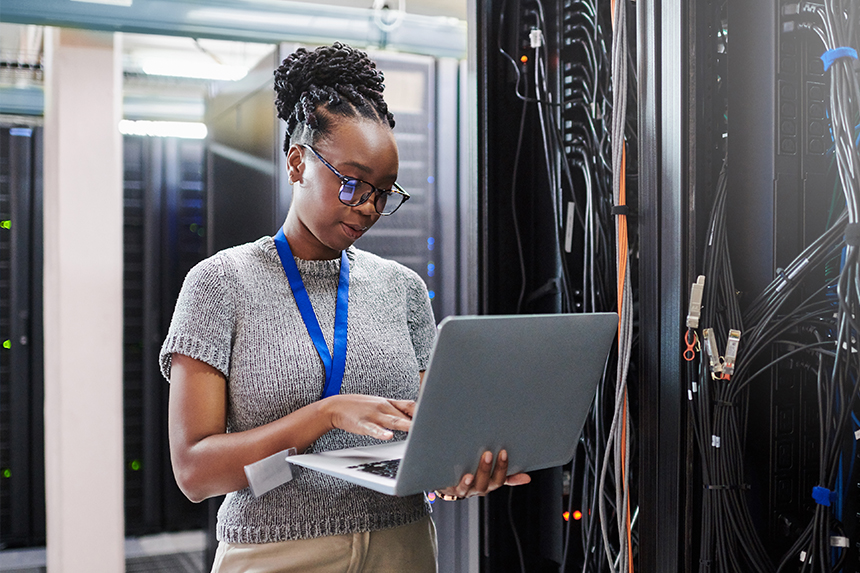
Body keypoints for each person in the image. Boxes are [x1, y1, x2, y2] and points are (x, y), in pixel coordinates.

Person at [161, 42, 530, 573]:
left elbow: (429, 439)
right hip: (275, 555)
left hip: (402, 546)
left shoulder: (401, 289)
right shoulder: (220, 284)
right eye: (353, 182)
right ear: (297, 163)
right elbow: (194, 473)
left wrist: (459, 469)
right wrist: (325, 415)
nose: (367, 208)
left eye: (383, 193)